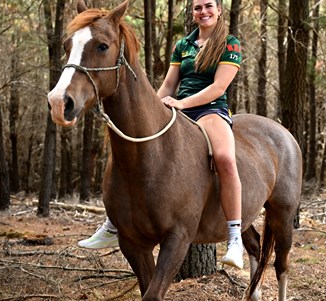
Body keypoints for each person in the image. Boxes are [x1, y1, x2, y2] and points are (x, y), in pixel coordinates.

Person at [78, 0, 244, 269]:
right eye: (198, 7)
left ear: (219, 9)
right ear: (192, 12)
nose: (203, 12)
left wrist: (182, 103)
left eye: (209, 6)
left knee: (225, 158)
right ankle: (113, 224)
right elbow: (169, 84)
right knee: (133, 152)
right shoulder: (183, 45)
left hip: (211, 111)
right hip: (177, 110)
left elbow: (218, 87)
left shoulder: (230, 43)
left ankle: (235, 237)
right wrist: (148, 112)